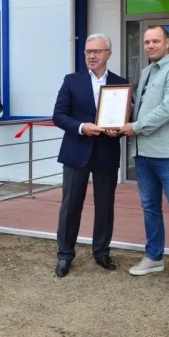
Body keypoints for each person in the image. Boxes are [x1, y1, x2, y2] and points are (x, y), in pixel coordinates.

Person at [119, 25, 169, 287]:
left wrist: (136, 127)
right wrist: (114, 115)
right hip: (143, 153)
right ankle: (154, 257)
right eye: (147, 42)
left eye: (155, 41)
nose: (150, 46)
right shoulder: (147, 72)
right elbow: (139, 109)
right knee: (150, 208)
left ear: (167, 43)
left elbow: (168, 109)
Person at [52, 33, 128, 278]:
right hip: (77, 151)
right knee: (71, 205)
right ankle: (65, 255)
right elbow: (58, 116)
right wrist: (82, 127)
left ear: (108, 54)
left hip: (106, 151)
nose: (91, 56)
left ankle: (102, 252)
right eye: (88, 52)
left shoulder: (120, 83)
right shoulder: (71, 81)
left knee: (105, 206)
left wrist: (118, 130)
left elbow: (126, 119)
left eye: (97, 51)